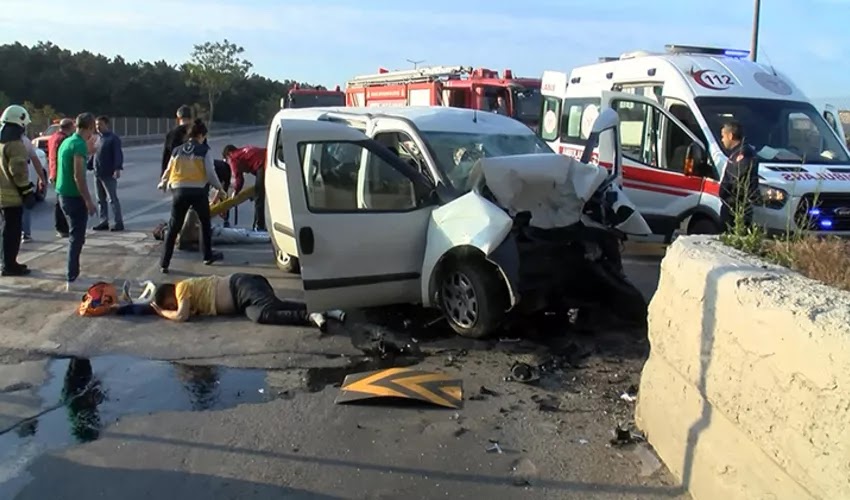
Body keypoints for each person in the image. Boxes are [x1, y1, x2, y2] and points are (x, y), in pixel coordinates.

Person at [150, 272, 345, 330]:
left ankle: (310, 315)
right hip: (243, 303)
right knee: (262, 315)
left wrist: (162, 313)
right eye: (169, 308)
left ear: (170, 293)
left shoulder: (181, 288)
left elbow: (181, 316)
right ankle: (323, 310)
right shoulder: (186, 294)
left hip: (241, 286)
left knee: (269, 310)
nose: (173, 307)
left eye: (170, 304)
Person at [158, 119, 224, 272]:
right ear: (200, 135)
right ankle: (207, 256)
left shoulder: (177, 150)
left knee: (174, 227)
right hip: (198, 191)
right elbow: (210, 173)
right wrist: (219, 189)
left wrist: (163, 182)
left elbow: (169, 169)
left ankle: (164, 263)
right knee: (205, 223)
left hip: (179, 191)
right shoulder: (204, 150)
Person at [56, 113, 98, 290]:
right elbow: (78, 176)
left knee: (76, 237)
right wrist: (88, 200)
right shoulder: (78, 145)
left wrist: (88, 151)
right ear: (89, 128)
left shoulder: (68, 141)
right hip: (73, 197)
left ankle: (73, 275)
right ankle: (72, 278)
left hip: (63, 194)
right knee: (77, 238)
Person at [0, 105, 37, 276]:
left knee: (6, 230)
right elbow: (19, 171)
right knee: (13, 232)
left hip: (2, 195)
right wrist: (27, 192)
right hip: (12, 197)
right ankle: (9, 265)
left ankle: (7, 262)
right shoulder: (15, 145)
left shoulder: (2, 143)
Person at [719, 120, 759, 231]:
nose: (722, 140)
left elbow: (737, 179)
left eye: (723, 136)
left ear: (730, 136)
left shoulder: (743, 154)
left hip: (736, 206)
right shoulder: (737, 152)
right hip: (732, 204)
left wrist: (728, 195)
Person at [90, 116, 124, 232]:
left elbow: (117, 154)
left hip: (108, 173)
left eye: (100, 124)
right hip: (97, 172)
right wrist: (89, 165)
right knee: (100, 199)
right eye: (96, 124)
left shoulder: (113, 138)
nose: (98, 127)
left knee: (112, 199)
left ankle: (118, 223)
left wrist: (117, 168)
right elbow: (95, 154)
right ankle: (103, 221)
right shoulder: (97, 138)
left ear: (106, 124)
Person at [222, 144, 267, 231]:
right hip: (268, 159)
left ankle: (259, 226)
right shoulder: (242, 151)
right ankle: (260, 224)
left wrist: (236, 191)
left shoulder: (233, 157)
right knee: (261, 192)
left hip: (261, 164)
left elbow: (239, 178)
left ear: (228, 155)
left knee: (259, 198)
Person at [19, 127, 47, 242]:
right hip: (24, 182)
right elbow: (35, 161)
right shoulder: (25, 141)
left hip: (6, 184)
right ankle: (25, 233)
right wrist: (42, 179)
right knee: (25, 208)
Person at [48, 118, 74, 238]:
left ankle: (61, 227)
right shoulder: (64, 139)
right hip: (61, 172)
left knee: (59, 201)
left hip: (53, 171)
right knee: (63, 202)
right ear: (70, 127)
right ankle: (62, 228)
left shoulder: (53, 137)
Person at [161, 105, 194, 176]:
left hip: (176, 176)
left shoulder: (171, 134)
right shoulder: (198, 134)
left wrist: (163, 176)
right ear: (191, 119)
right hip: (194, 176)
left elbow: (166, 157)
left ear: (178, 119)